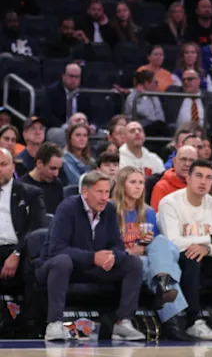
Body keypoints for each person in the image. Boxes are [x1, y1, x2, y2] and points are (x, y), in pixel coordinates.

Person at [37, 171, 146, 341]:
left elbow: (117, 244)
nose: (104, 197)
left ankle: (123, 322)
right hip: (62, 268)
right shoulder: (67, 208)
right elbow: (57, 249)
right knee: (62, 261)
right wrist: (93, 257)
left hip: (94, 268)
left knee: (133, 262)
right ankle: (54, 323)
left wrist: (113, 257)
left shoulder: (109, 210)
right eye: (99, 192)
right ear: (85, 192)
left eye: (107, 192)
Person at [157, 159, 212, 340]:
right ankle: (193, 321)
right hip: (177, 262)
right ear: (188, 178)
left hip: (206, 257)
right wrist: (210, 240)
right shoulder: (170, 202)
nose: (203, 182)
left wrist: (207, 248)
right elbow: (172, 242)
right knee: (192, 256)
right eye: (198, 176)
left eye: (208, 178)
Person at [112, 167, 190, 340]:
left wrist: (145, 246)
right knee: (149, 262)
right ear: (121, 185)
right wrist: (130, 250)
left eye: (141, 182)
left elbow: (154, 246)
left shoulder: (147, 212)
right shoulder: (111, 211)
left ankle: (163, 284)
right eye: (133, 182)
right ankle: (173, 318)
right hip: (123, 260)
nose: (138, 186)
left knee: (162, 243)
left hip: (146, 257)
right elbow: (105, 244)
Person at [0, 149, 45, 310]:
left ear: (12, 167)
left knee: (35, 265)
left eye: (3, 164)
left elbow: (37, 228)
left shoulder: (30, 193)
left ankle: (31, 324)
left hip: (20, 249)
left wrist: (17, 253)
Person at [150, 143, 199, 210]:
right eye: (183, 159)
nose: (187, 164)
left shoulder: (202, 186)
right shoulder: (162, 187)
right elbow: (159, 217)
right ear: (174, 161)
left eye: (191, 160)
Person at [21, 143, 64, 212]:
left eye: (59, 169)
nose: (56, 174)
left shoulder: (57, 184)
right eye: (53, 168)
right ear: (39, 163)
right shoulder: (22, 187)